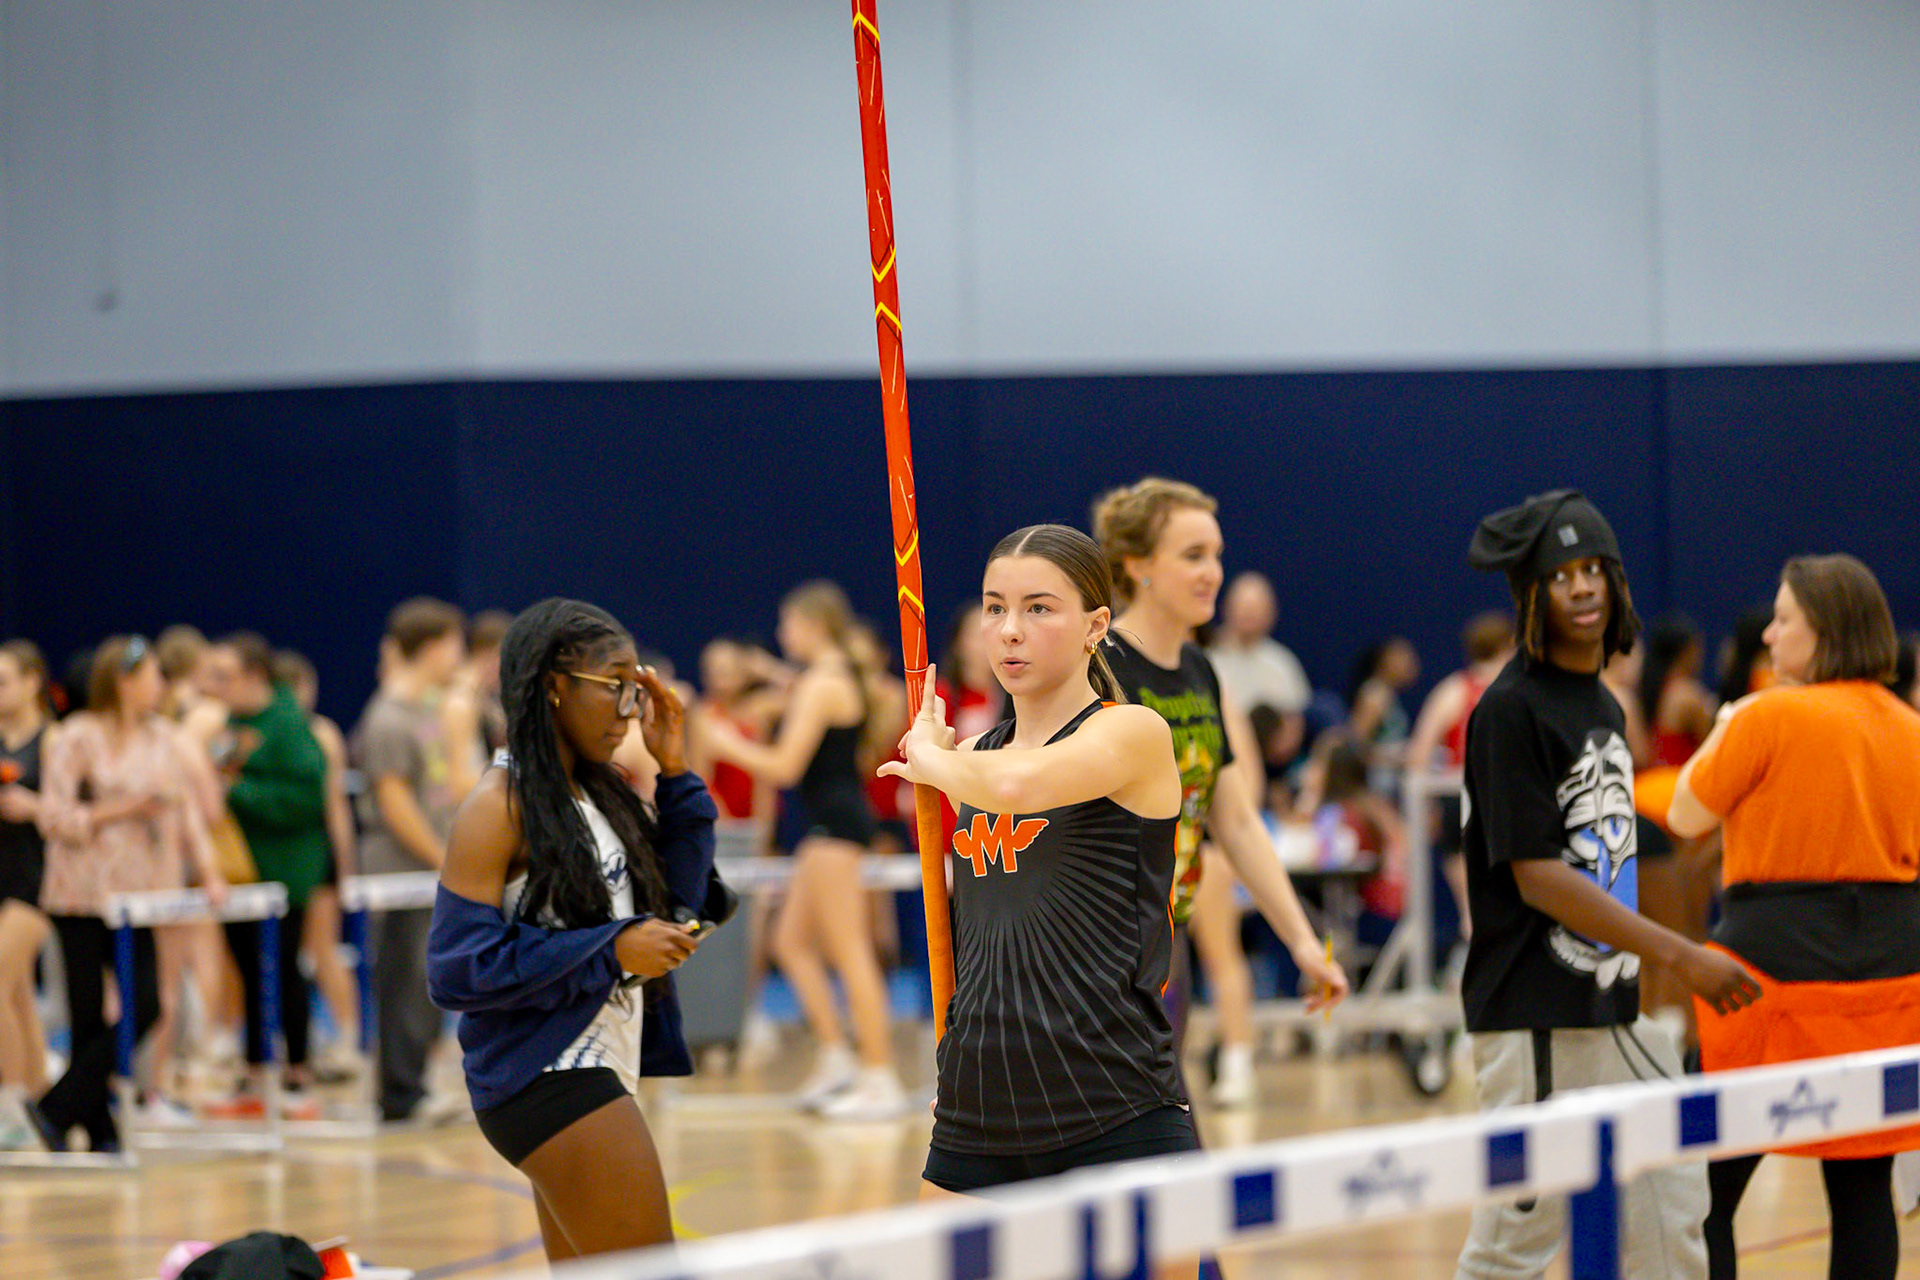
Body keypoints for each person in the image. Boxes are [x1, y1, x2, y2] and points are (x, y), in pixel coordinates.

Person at [1452, 490, 1759, 1280]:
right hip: (1534, 1019)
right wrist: (1680, 954)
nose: (1583, 586)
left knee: (1673, 1212)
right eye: (1561, 574)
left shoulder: (1603, 705)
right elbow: (1539, 877)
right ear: (1531, 594)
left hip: (1613, 1014)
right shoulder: (1509, 710)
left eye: (1595, 569)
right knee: (1515, 1245)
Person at [881, 525, 1200, 1210]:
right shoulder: (972, 756)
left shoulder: (1132, 732)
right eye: (995, 608)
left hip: (1114, 1104)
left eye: (1038, 608)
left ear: (1096, 626)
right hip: (977, 1105)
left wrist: (930, 758)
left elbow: (1018, 786)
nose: (1009, 630)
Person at [428, 598, 720, 1261]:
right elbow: (455, 967)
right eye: (615, 685)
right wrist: (611, 950)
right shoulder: (499, 805)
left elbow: (685, 902)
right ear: (555, 685)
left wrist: (675, 772)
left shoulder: (598, 794)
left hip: (593, 1063)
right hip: (550, 1071)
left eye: (636, 688)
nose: (631, 709)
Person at [1669, 555, 1920, 1280]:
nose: (1769, 636)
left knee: (1702, 1191)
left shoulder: (1764, 715)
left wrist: (1725, 725)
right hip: (1889, 980)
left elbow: (1685, 815)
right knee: (1864, 1191)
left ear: (1825, 631)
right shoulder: (1911, 728)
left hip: (1768, 980)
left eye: (1783, 620)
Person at [1092, 477, 1347, 1109]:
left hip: (1164, 939)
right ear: (1138, 565)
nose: (1212, 573)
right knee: (1143, 1134)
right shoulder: (1098, 665)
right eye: (1193, 555)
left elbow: (1235, 822)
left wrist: (1303, 942)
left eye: (1215, 555)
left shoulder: (1201, 672)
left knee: (1165, 1126)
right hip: (1097, 950)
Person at [702, 582, 908, 1120]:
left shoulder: (823, 683)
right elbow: (795, 686)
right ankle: (837, 1056)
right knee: (789, 942)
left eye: (787, 623)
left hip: (837, 828)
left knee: (849, 950)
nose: (781, 633)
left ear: (812, 625)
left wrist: (725, 743)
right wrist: (769, 672)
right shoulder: (834, 675)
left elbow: (785, 767)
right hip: (826, 827)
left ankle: (879, 1074)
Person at [27, 637, 230, 1152]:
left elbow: (185, 810)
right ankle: (96, 1126)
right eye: (151, 675)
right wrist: (125, 808)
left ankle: (58, 1106)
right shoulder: (76, 736)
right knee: (86, 1012)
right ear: (123, 680)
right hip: (80, 893)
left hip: (142, 896)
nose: (160, 685)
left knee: (147, 1003)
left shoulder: (163, 738)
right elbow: (55, 817)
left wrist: (208, 870)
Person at [352, 598, 475, 1123]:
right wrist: (440, 856)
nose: (459, 656)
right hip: (400, 869)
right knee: (403, 976)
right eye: (453, 644)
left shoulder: (427, 711)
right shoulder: (387, 717)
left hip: (427, 870)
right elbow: (394, 799)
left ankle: (417, 1082)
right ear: (430, 647)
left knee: (427, 978)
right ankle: (399, 1093)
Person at [198, 634, 330, 1110]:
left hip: (282, 873)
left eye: (223, 676)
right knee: (248, 972)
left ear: (254, 676)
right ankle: (255, 1068)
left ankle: (297, 1069)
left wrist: (237, 793)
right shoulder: (232, 723)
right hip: (237, 872)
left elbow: (306, 799)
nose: (214, 686)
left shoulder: (287, 724)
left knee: (283, 969)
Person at [272, 649, 363, 1074]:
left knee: (321, 949)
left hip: (312, 856)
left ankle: (347, 1036)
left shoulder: (320, 734)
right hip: (301, 855)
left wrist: (343, 868)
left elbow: (336, 808)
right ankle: (340, 1036)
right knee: (310, 951)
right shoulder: (313, 734)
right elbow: (335, 808)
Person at [1406, 611, 1517, 942]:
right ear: (1509, 644)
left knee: (1473, 910)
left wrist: (1427, 809)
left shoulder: (1452, 691)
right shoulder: (1519, 691)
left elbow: (1418, 755)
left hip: (1463, 809)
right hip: (1504, 808)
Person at [0, 641, 53, 1146]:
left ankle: (10, 1104)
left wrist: (33, 807)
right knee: (16, 997)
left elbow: (77, 810)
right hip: (3, 873)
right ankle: (38, 1102)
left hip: (39, 880)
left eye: (3, 682)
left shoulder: (53, 741)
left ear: (33, 681)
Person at [1206, 572, 1312, 767]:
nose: (1249, 614)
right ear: (1226, 608)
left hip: (1273, 764)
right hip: (1220, 756)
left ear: (1271, 613)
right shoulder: (1207, 658)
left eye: (1255, 608)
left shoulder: (1282, 662)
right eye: (1243, 606)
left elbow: (1295, 722)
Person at [1639, 616, 1717, 768]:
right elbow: (1713, 746)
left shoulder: (1648, 688)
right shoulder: (1688, 694)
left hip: (1655, 777)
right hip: (1680, 775)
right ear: (1686, 652)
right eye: (1697, 649)